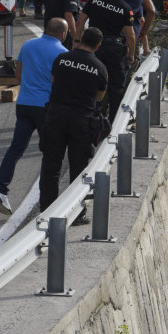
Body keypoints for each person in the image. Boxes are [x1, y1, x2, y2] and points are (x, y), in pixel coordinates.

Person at [0, 17, 70, 214]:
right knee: (50, 152)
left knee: (15, 149)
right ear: (63, 33)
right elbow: (60, 83)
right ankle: (46, 200)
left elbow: (19, 74)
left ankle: (1, 190)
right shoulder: (62, 53)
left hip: (24, 103)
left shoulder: (28, 45)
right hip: (44, 107)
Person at [38, 26, 108, 210]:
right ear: (98, 46)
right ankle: (76, 211)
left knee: (51, 165)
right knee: (78, 168)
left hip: (56, 116)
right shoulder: (100, 68)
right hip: (82, 120)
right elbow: (99, 96)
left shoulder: (62, 59)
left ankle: (46, 209)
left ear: (81, 39)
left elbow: (53, 80)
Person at [79, 0, 137, 118]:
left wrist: (76, 40)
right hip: (114, 50)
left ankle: (91, 115)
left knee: (91, 81)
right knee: (116, 87)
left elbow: (80, 21)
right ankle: (113, 121)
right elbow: (130, 35)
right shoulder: (125, 8)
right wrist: (131, 54)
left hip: (92, 46)